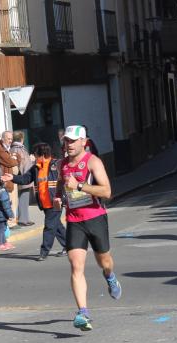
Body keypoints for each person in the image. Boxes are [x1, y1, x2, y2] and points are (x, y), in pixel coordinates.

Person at [54, 126, 122, 332]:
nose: (69, 144)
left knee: (105, 261)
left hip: (95, 218)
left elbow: (107, 191)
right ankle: (83, 312)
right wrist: (58, 197)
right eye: (66, 140)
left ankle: (110, 277)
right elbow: (60, 183)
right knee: (76, 266)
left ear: (84, 141)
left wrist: (80, 186)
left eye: (73, 140)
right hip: (74, 220)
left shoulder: (93, 162)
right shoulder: (62, 164)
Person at [9, 143, 67, 261]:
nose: (33, 156)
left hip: (55, 202)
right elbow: (25, 179)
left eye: (35, 154)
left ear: (42, 154)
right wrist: (12, 177)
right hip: (44, 203)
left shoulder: (56, 165)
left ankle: (44, 252)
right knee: (56, 226)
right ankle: (69, 246)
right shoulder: (36, 168)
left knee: (49, 227)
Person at [0, 131, 20, 226]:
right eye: (8, 139)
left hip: (11, 179)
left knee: (14, 201)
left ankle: (12, 222)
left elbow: (19, 157)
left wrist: (15, 158)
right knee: (8, 202)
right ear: (3, 138)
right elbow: (10, 162)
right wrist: (14, 159)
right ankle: (10, 223)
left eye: (11, 139)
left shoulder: (8, 148)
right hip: (5, 180)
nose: (10, 141)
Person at [11, 131, 34, 226]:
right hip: (24, 176)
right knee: (23, 199)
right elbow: (23, 164)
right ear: (22, 138)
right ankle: (23, 219)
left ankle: (25, 218)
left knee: (24, 198)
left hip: (22, 176)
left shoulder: (15, 148)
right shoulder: (18, 149)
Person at [0, 177, 15, 251]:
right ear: (3, 183)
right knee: (1, 228)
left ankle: (4, 242)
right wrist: (10, 215)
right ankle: (0, 243)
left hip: (0, 212)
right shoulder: (2, 192)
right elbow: (6, 206)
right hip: (1, 212)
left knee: (3, 226)